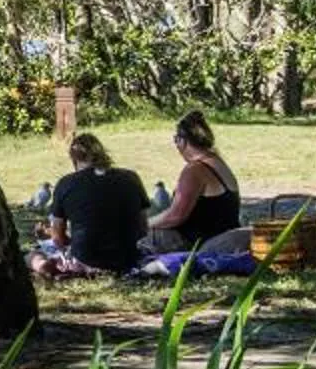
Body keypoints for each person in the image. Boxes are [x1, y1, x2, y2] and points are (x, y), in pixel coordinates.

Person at [36, 133, 150, 276]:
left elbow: (58, 239)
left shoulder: (65, 184)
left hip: (86, 260)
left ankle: (44, 265)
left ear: (74, 158)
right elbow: (143, 228)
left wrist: (74, 240)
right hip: (128, 259)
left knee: (33, 255)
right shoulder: (131, 177)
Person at [147, 109, 244, 254]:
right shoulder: (217, 162)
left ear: (183, 141)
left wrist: (145, 224)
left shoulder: (195, 170)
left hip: (196, 243)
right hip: (220, 236)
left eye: (176, 139)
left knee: (133, 235)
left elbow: (175, 216)